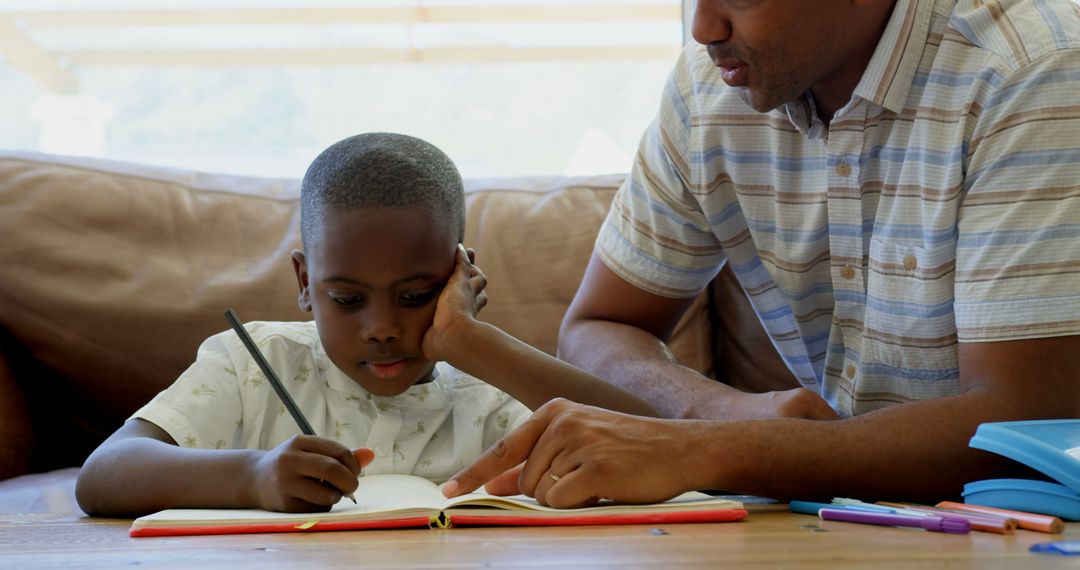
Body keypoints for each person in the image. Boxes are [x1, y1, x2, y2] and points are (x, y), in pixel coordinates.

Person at [442, 0, 1080, 507]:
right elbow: (599, 326)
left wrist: (712, 450)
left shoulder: (1036, 70)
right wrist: (715, 413)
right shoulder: (708, 92)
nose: (702, 27)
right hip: (847, 521)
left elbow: (1023, 427)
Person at [75, 132, 656, 517]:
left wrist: (468, 339)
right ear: (306, 282)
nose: (381, 327)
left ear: (461, 276)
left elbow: (659, 444)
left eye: (416, 295)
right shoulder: (252, 362)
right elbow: (103, 474)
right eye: (349, 299)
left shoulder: (492, 388)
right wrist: (251, 477)